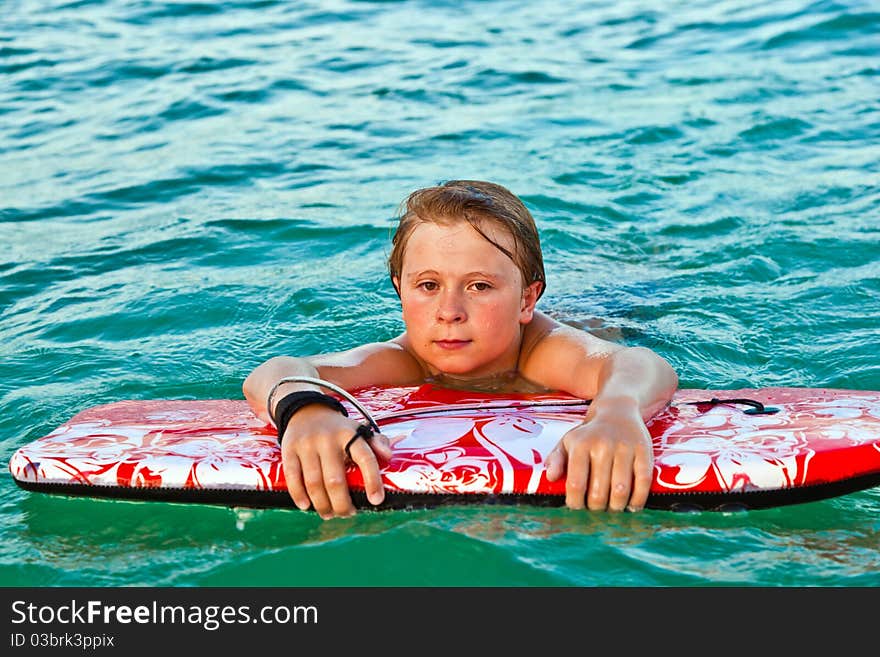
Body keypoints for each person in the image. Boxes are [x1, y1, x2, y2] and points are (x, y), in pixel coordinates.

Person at [243, 180, 679, 519]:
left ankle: (648, 255)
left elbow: (638, 362)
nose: (448, 311)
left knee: (631, 298)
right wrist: (306, 410)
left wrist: (616, 411)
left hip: (610, 318)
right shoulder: (405, 359)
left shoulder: (543, 352)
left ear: (527, 300)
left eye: (479, 286)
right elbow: (277, 370)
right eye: (428, 286)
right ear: (400, 291)